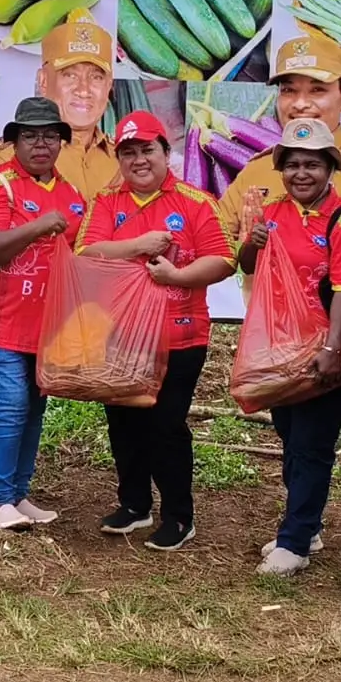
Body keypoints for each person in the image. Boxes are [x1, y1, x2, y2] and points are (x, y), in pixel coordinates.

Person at [77, 110, 235, 552]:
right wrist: (138, 246)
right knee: (123, 422)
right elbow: (87, 251)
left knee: (165, 424)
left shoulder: (196, 202)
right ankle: (134, 504)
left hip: (178, 335)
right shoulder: (108, 203)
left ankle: (178, 515)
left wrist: (178, 278)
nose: (138, 160)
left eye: (147, 149)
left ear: (166, 152)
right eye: (128, 152)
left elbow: (223, 258)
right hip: (120, 338)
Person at [242, 119, 341, 577]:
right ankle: (307, 523)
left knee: (313, 444)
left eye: (312, 164)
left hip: (321, 349)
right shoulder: (273, 214)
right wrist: (252, 244)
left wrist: (333, 349)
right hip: (279, 348)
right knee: (291, 439)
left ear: (330, 167)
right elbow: (247, 266)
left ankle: (294, 541)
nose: (301, 173)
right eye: (293, 164)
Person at [0, 97, 86, 531]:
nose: (42, 144)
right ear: (14, 141)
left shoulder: (72, 195)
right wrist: (37, 226)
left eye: (51, 135)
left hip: (47, 327)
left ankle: (18, 493)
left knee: (35, 408)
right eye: (31, 135)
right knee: (11, 406)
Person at [219, 30, 341, 246]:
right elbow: (215, 245)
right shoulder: (257, 169)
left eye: (317, 90)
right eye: (289, 90)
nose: (300, 103)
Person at [0, 15, 119, 197]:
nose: (83, 90)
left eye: (96, 77)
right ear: (43, 81)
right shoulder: (14, 152)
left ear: (109, 85)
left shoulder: (125, 158)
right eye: (69, 75)